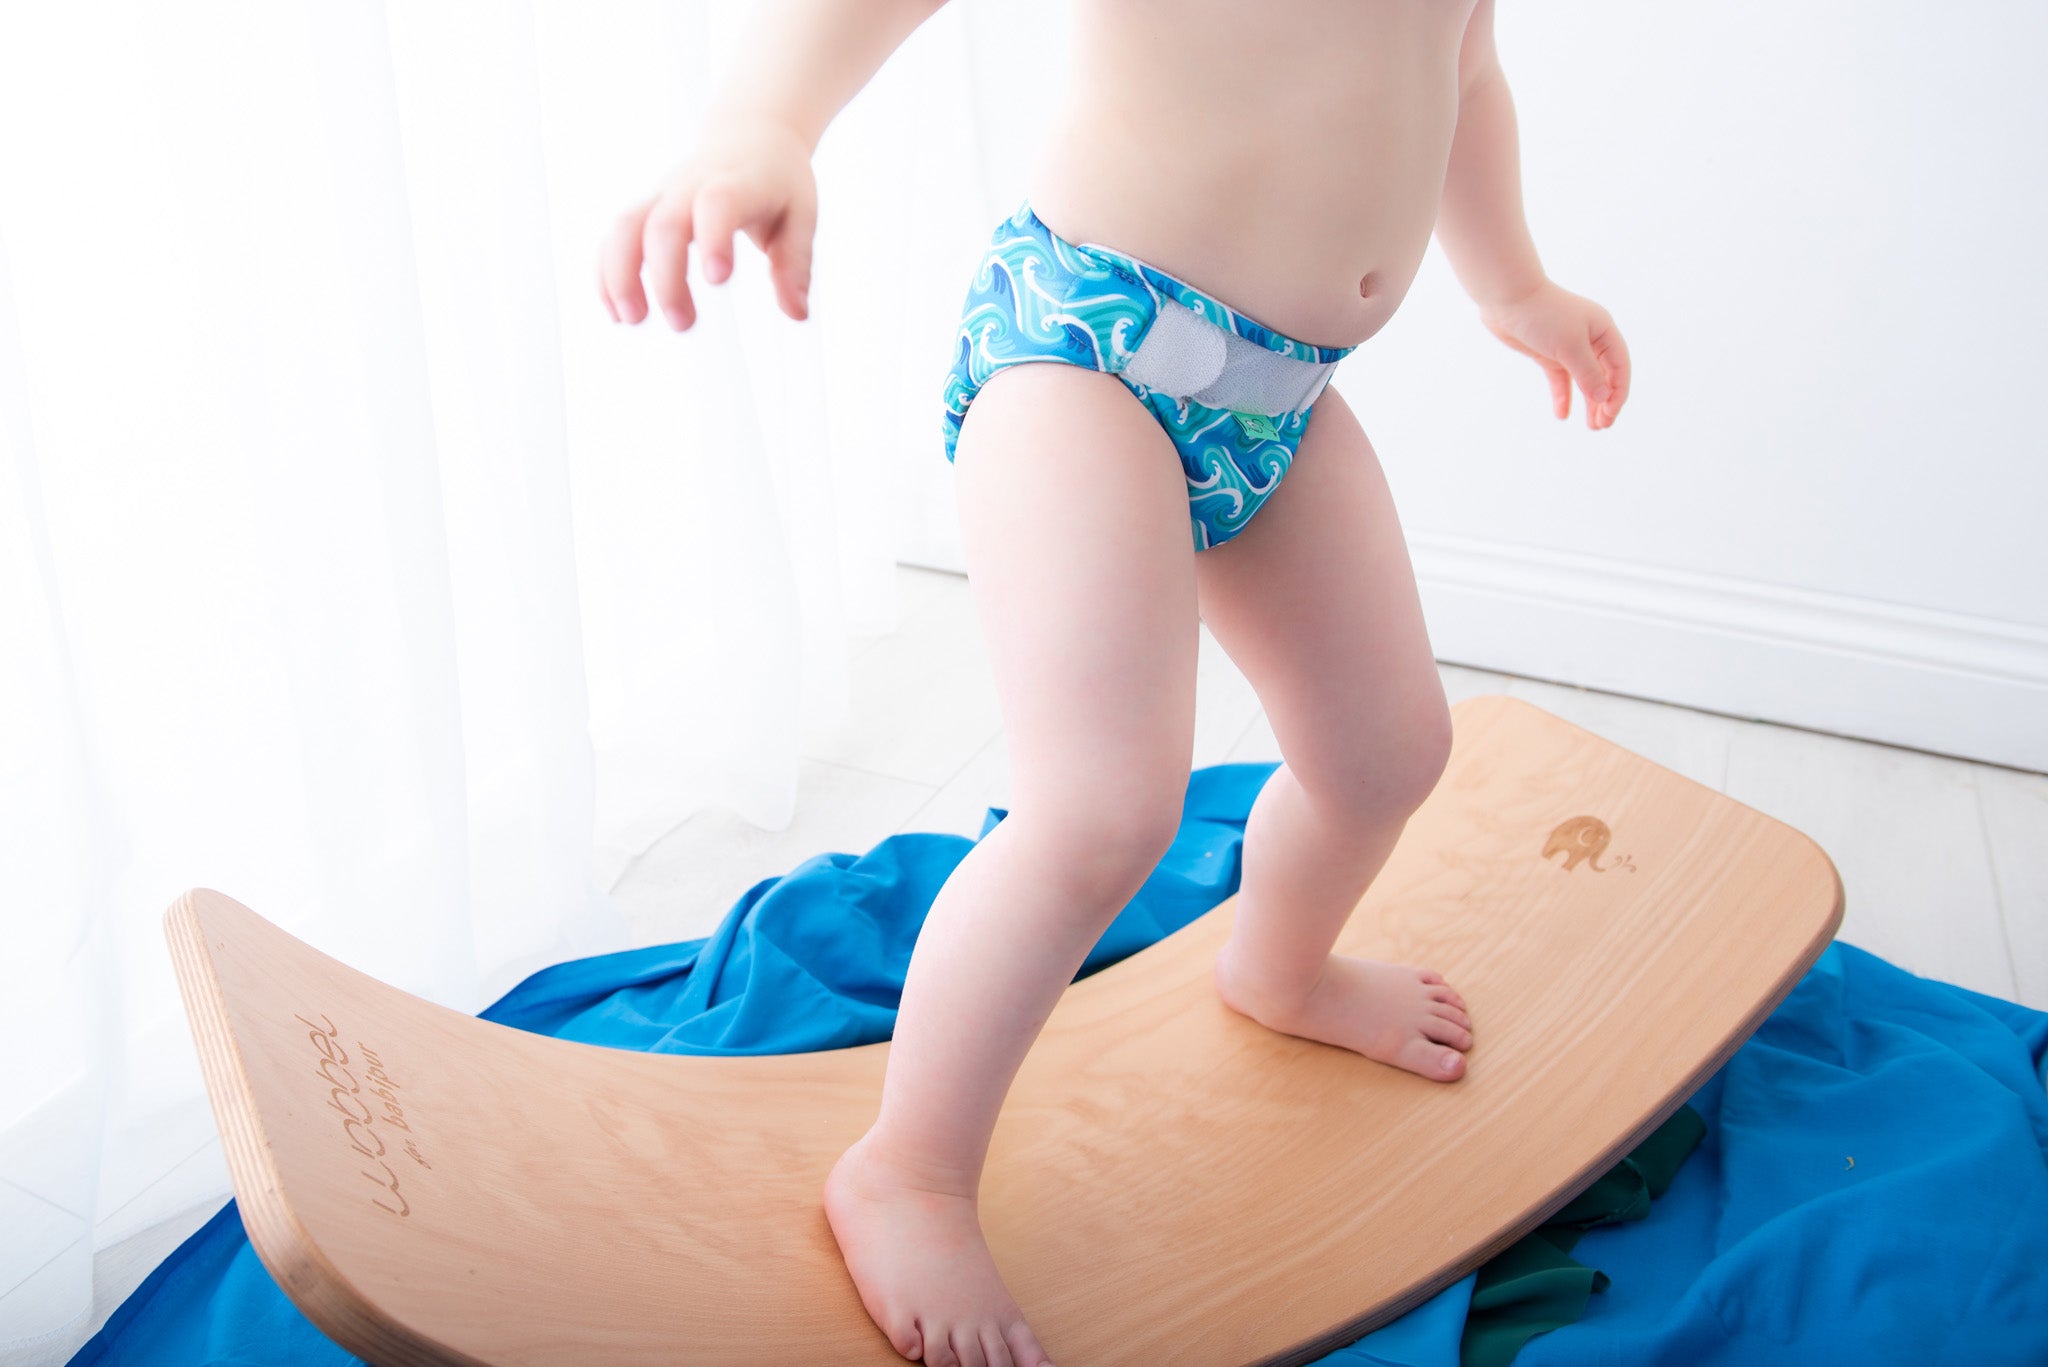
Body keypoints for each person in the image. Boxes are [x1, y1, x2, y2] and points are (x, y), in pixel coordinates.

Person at [597, 2, 1631, 1363]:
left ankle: (1282, 968)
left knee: (1386, 757)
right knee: (1101, 812)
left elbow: (1466, 68)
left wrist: (1513, 286)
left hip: (1280, 397)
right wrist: (763, 124)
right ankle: (905, 1170)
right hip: (1088, 353)